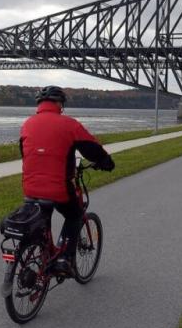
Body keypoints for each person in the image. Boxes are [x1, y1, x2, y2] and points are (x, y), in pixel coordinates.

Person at [19, 85, 115, 276]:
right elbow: (92, 149)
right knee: (74, 215)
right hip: (58, 188)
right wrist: (106, 162)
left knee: (42, 219)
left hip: (30, 188)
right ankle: (63, 259)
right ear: (59, 104)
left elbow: (24, 153)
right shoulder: (69, 124)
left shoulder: (27, 124)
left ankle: (42, 252)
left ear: (40, 104)